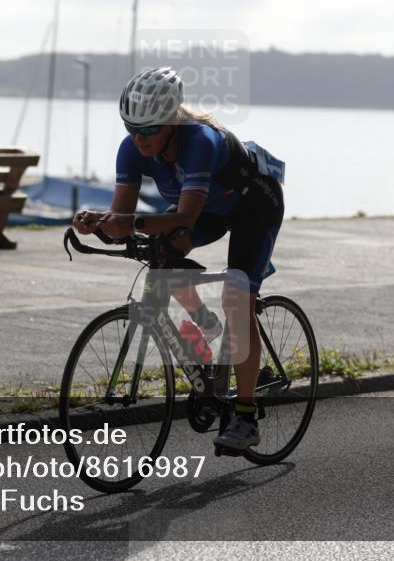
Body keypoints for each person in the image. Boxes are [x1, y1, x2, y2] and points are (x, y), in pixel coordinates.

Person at [71, 66, 284, 451]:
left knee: (237, 300)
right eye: (131, 128)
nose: (140, 138)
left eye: (150, 129)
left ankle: (246, 415)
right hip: (210, 210)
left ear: (171, 121)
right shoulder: (131, 149)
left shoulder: (200, 140)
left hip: (254, 205)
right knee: (162, 255)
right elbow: (122, 219)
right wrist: (97, 223)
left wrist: (127, 222)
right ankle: (209, 333)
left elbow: (185, 217)